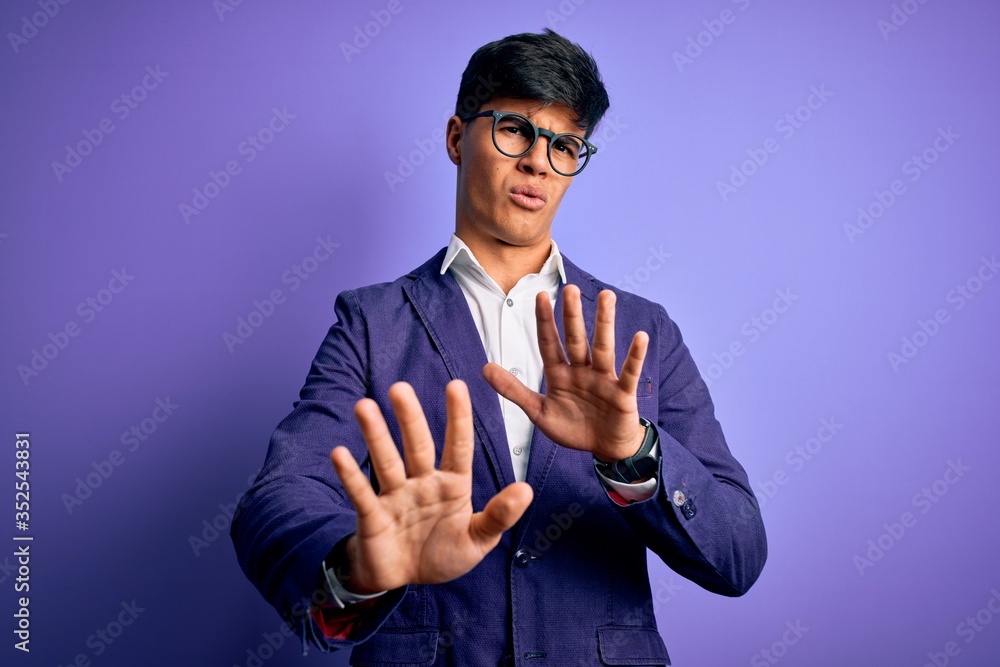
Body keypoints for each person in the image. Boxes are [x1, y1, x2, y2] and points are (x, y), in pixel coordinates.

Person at [231, 29, 767, 666]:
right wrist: (358, 565)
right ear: (457, 138)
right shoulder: (372, 322)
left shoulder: (642, 330)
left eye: (564, 145)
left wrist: (632, 452)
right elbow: (278, 497)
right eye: (515, 129)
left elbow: (738, 553)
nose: (539, 162)